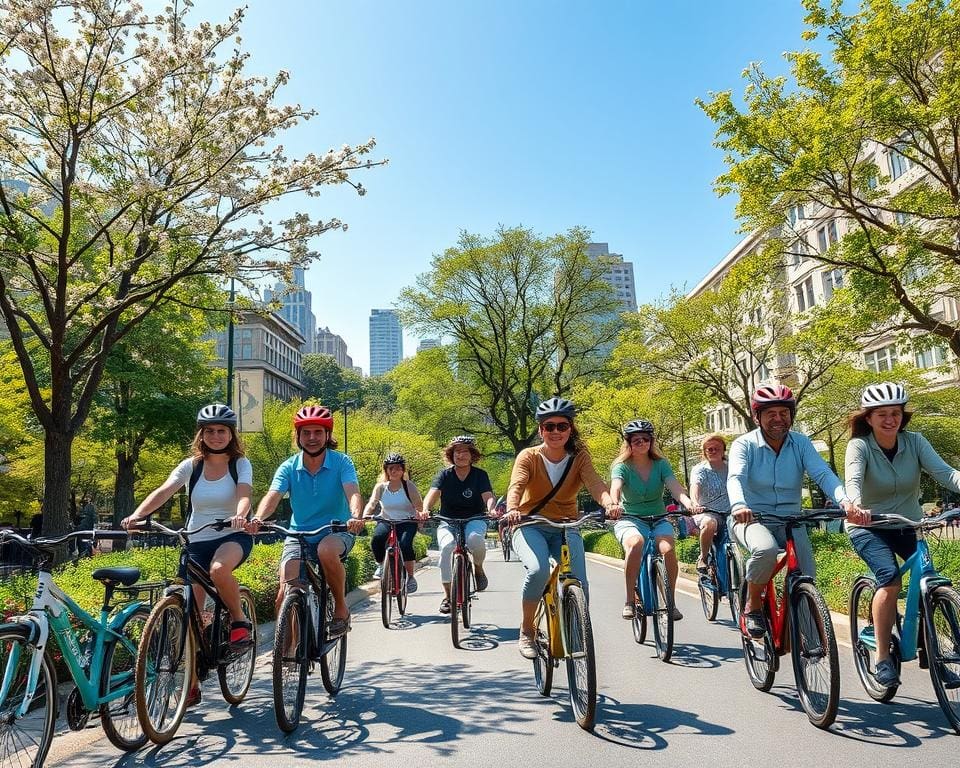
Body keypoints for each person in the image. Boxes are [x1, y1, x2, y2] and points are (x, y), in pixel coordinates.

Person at [122, 403, 253, 707]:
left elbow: (245, 494)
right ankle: (191, 684)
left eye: (222, 431)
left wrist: (239, 515)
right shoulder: (191, 466)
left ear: (230, 434)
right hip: (196, 539)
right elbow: (165, 490)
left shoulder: (240, 464)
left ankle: (238, 621)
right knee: (188, 611)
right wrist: (137, 515)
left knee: (220, 570)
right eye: (210, 431)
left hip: (232, 535)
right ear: (201, 434)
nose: (216, 436)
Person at [728, 383, 867, 639]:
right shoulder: (743, 445)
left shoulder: (801, 443)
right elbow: (735, 477)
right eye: (771, 413)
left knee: (805, 577)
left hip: (791, 520)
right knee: (765, 550)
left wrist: (845, 502)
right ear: (757, 416)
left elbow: (823, 474)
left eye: (784, 413)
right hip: (751, 518)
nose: (778, 419)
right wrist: (739, 506)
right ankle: (753, 606)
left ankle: (812, 644)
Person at [845, 382, 960, 687]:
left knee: (928, 578)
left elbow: (946, 473)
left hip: (909, 523)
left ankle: (933, 655)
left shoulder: (915, 442)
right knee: (890, 579)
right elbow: (853, 478)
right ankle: (883, 657)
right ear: (868, 418)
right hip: (868, 526)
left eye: (895, 413)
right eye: (881, 414)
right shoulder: (860, 446)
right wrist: (855, 505)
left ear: (902, 415)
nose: (889, 419)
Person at [504, 397, 622, 659]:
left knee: (579, 581)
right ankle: (527, 630)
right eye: (549, 426)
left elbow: (595, 484)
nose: (556, 431)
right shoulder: (529, 456)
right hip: (530, 524)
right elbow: (517, 485)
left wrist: (610, 503)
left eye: (562, 426)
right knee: (537, 571)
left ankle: (577, 630)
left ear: (571, 429)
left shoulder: (579, 458)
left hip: (567, 526)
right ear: (540, 430)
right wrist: (513, 509)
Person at [247, 404, 365, 638]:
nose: (312, 438)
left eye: (318, 432)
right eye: (306, 433)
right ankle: (288, 651)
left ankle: (341, 608)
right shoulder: (289, 466)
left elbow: (353, 492)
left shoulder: (342, 462)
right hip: (298, 534)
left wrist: (355, 517)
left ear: (327, 435)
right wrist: (259, 518)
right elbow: (273, 496)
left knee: (325, 550)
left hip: (336, 531)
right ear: (298, 436)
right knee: (285, 591)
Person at [610, 419, 700, 621]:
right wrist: (614, 504)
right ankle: (629, 600)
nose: (641, 443)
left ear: (651, 441)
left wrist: (688, 503)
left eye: (645, 439)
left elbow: (675, 487)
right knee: (636, 543)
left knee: (667, 549)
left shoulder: (661, 464)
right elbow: (615, 487)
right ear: (629, 443)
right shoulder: (621, 466)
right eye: (636, 440)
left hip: (658, 518)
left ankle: (670, 601)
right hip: (630, 518)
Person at [422, 436, 496, 614]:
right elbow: (433, 494)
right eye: (456, 451)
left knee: (475, 540)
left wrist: (491, 509)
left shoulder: (480, 475)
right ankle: (448, 596)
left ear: (472, 455)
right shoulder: (444, 475)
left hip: (475, 519)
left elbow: (488, 496)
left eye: (464, 451)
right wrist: (425, 509)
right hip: (448, 521)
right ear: (451, 455)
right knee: (447, 547)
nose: (460, 455)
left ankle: (478, 568)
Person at [362, 453, 428, 593]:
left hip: (407, 521)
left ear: (403, 470)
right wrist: (365, 515)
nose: (394, 471)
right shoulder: (381, 487)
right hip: (386, 520)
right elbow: (372, 503)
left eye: (398, 468)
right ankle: (381, 565)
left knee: (405, 544)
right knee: (377, 540)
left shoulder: (408, 486)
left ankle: (410, 577)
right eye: (391, 468)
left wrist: (420, 518)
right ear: (386, 470)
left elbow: (419, 506)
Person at [689, 433, 730, 573]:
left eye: (716, 448)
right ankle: (704, 557)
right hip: (707, 511)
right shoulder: (700, 469)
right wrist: (694, 503)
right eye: (709, 449)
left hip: (731, 512)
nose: (713, 451)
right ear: (704, 452)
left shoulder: (732, 467)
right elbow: (695, 486)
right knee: (709, 523)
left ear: (723, 450)